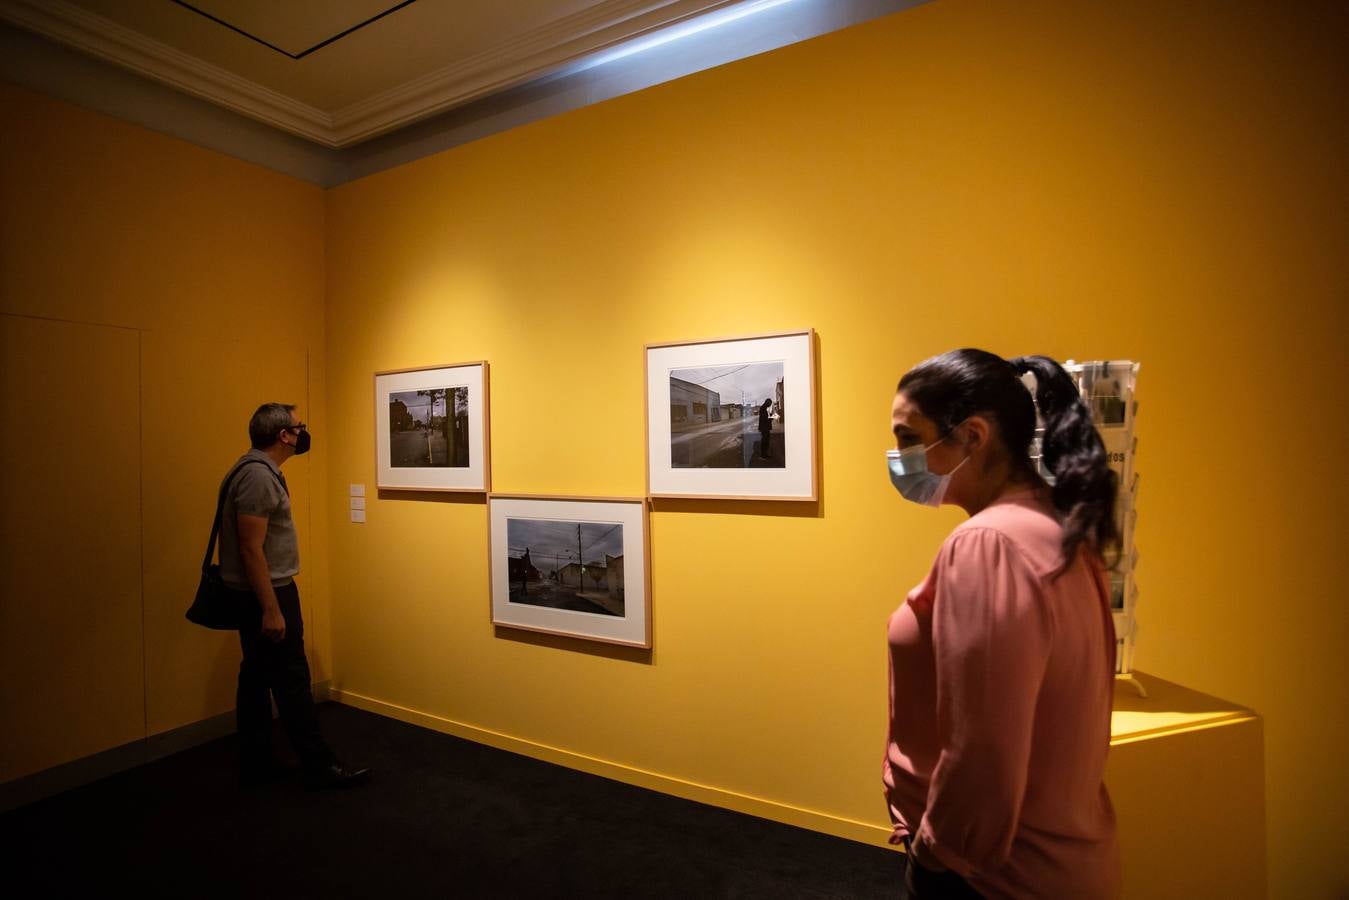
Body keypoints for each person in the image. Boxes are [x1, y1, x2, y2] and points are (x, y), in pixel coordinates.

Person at [883, 350, 1120, 899]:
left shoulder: (988, 544)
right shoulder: (1057, 529)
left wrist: (936, 854)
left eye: (908, 437)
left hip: (992, 877)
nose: (899, 457)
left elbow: (982, 748)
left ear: (972, 436)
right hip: (1063, 862)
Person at [218, 402, 370, 790]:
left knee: (255, 676)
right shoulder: (257, 477)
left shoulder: (253, 469)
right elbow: (252, 549)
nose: (304, 433)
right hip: (267, 593)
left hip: (259, 591)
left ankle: (257, 762)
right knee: (291, 679)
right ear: (284, 436)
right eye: (299, 427)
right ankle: (319, 765)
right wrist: (271, 608)